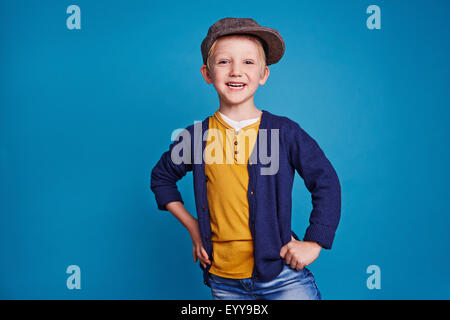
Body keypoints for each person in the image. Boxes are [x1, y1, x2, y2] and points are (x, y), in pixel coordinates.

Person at [150, 17, 341, 300]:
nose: (236, 71)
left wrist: (314, 242)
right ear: (207, 73)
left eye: (248, 63)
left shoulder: (283, 132)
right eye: (224, 62)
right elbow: (161, 178)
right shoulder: (196, 137)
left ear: (264, 74)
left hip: (281, 276)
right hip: (223, 281)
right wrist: (193, 226)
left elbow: (326, 182)